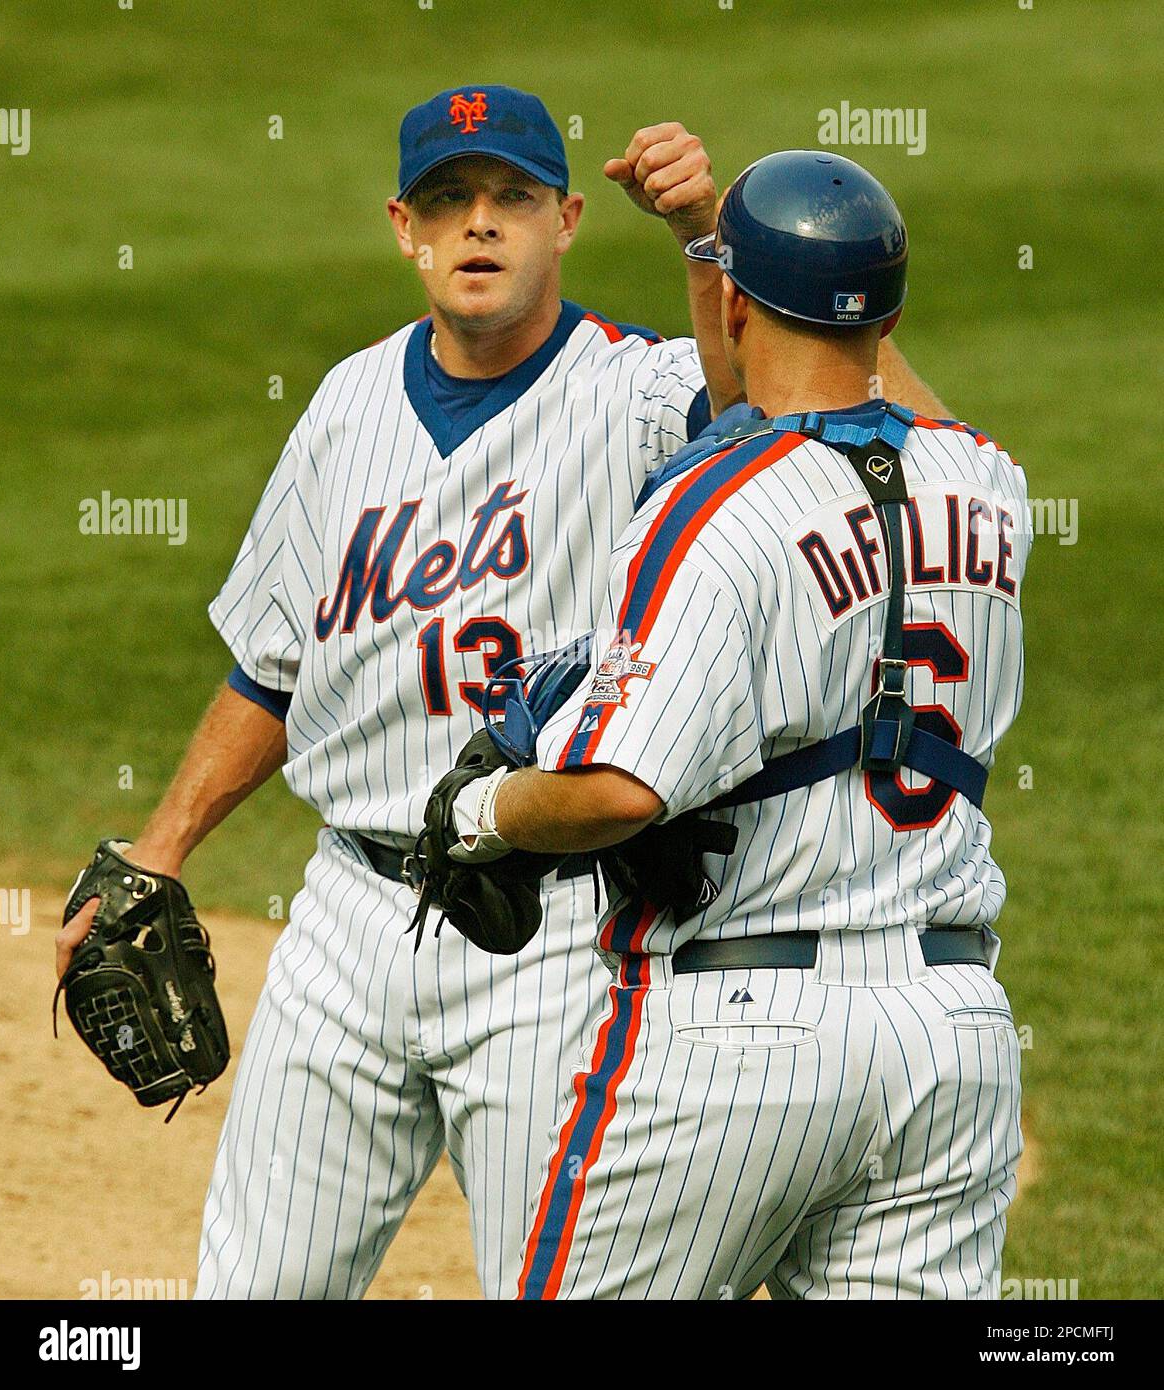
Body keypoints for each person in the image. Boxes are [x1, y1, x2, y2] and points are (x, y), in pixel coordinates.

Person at [56, 90, 947, 1301]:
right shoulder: (343, 407)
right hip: (345, 921)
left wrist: (705, 239)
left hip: (555, 927)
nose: (478, 226)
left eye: (511, 199)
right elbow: (271, 663)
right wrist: (160, 847)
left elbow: (766, 418)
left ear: (567, 219)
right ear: (403, 229)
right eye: (447, 202)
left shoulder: (633, 389)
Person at [448, 151, 1029, 1300]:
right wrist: (732, 247)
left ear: (729, 301)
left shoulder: (705, 508)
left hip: (733, 1039)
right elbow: (900, 412)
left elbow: (622, 789)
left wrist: (480, 812)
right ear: (891, 314)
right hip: (950, 1028)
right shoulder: (987, 488)